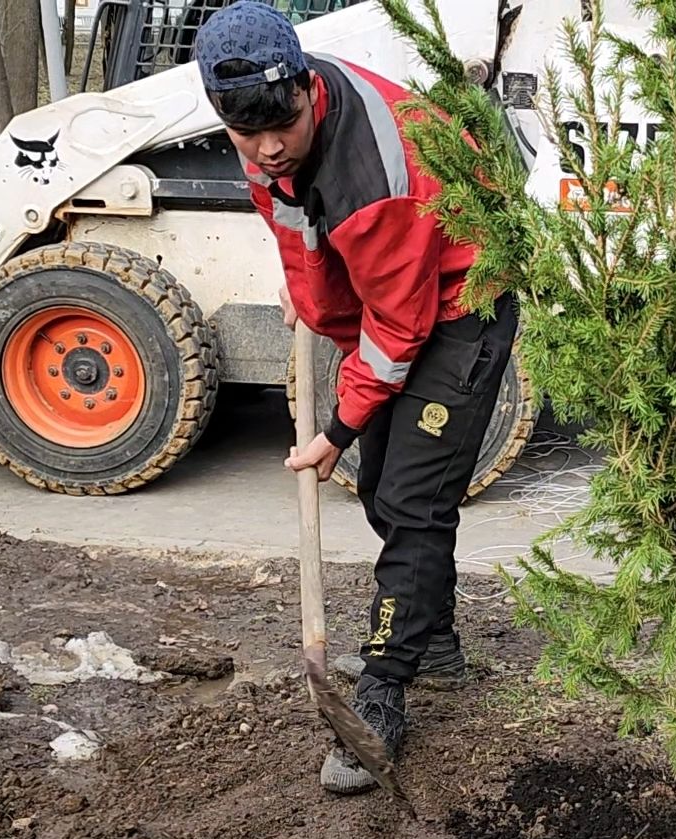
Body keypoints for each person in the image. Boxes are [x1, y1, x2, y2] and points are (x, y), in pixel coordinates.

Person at [194, 2, 516, 795]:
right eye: (247, 134)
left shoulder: (374, 171)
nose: (268, 147)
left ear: (307, 88)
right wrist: (308, 292)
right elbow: (304, 236)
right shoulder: (266, 137)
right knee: (384, 487)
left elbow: (402, 324)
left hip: (459, 306)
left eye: (283, 125)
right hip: (402, 303)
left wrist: (337, 426)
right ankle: (430, 637)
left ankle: (381, 692)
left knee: (411, 499)